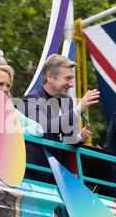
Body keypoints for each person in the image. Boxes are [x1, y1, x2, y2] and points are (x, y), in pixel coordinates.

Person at [22, 54, 100, 183]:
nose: (71, 84)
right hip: (35, 174)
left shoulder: (67, 101)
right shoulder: (31, 100)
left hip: (60, 177)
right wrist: (78, 109)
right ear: (50, 77)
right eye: (67, 78)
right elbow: (42, 129)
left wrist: (79, 137)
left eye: (72, 78)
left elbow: (67, 139)